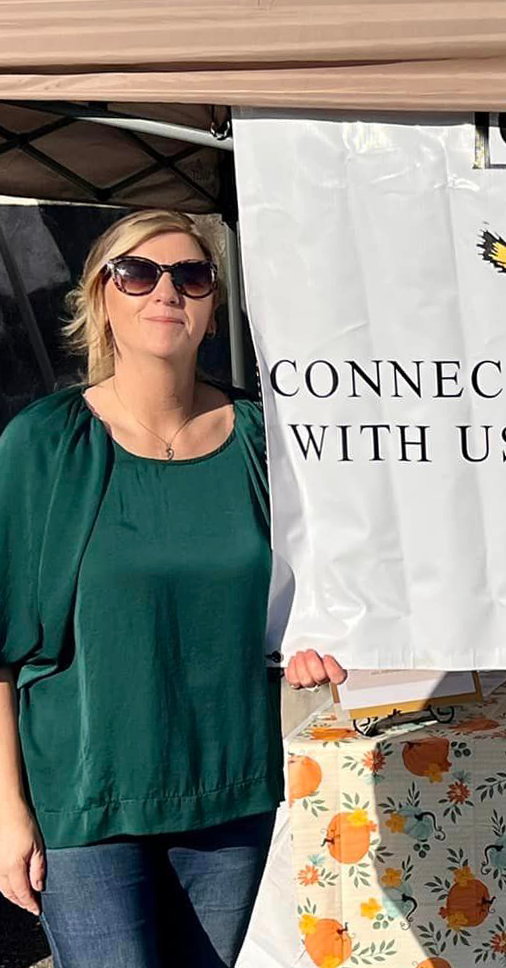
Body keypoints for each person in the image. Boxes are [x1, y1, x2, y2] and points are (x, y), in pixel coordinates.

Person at [0, 209, 344, 967]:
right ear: (100, 298)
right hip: (85, 798)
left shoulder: (267, 439)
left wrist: (319, 640)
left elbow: (315, 586)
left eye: (191, 276)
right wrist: (7, 811)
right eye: (138, 273)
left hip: (229, 791)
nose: (166, 291)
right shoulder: (46, 444)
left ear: (213, 304)